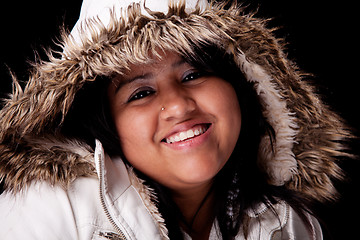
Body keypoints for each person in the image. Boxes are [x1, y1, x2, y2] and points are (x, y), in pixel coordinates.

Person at [0, 0, 353, 239]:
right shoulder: (52, 207)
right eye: (140, 93)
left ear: (243, 87)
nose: (178, 106)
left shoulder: (290, 225)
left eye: (193, 74)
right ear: (105, 124)